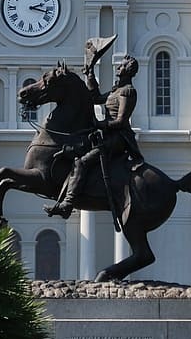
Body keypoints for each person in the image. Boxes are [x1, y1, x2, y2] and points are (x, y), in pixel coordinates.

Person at [46, 54, 143, 219]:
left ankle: (68, 204)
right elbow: (96, 98)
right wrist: (89, 74)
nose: (118, 67)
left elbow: (121, 121)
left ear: (128, 69)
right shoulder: (116, 91)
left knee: (82, 162)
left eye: (122, 65)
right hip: (106, 135)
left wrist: (99, 124)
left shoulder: (127, 92)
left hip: (118, 138)